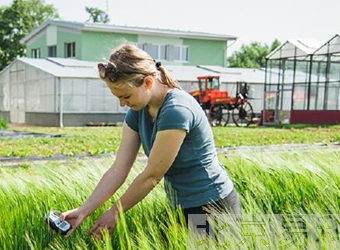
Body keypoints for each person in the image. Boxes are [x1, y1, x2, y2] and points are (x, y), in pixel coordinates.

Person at [60, 43, 241, 238]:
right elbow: (119, 168)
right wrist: (83, 210)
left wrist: (114, 213)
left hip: (213, 206)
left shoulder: (176, 110)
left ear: (147, 82)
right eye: (118, 97)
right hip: (180, 205)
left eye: (126, 96)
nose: (122, 104)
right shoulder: (138, 111)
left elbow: (152, 176)